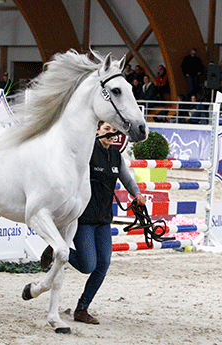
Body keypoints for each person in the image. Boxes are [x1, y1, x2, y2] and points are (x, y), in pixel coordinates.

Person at [40, 121, 146, 324]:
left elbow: (127, 179)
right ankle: (57, 249)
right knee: (88, 265)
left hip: (104, 219)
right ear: (97, 130)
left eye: (114, 131)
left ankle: (82, 308)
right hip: (83, 218)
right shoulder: (87, 152)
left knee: (103, 264)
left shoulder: (115, 155)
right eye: (107, 129)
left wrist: (137, 194)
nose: (111, 134)